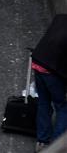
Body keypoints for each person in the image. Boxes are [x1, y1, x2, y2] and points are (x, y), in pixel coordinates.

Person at [31, 15, 67, 151]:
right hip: (52, 69)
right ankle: (55, 147)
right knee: (62, 107)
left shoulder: (61, 18)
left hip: (38, 61)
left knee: (44, 102)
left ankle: (42, 141)